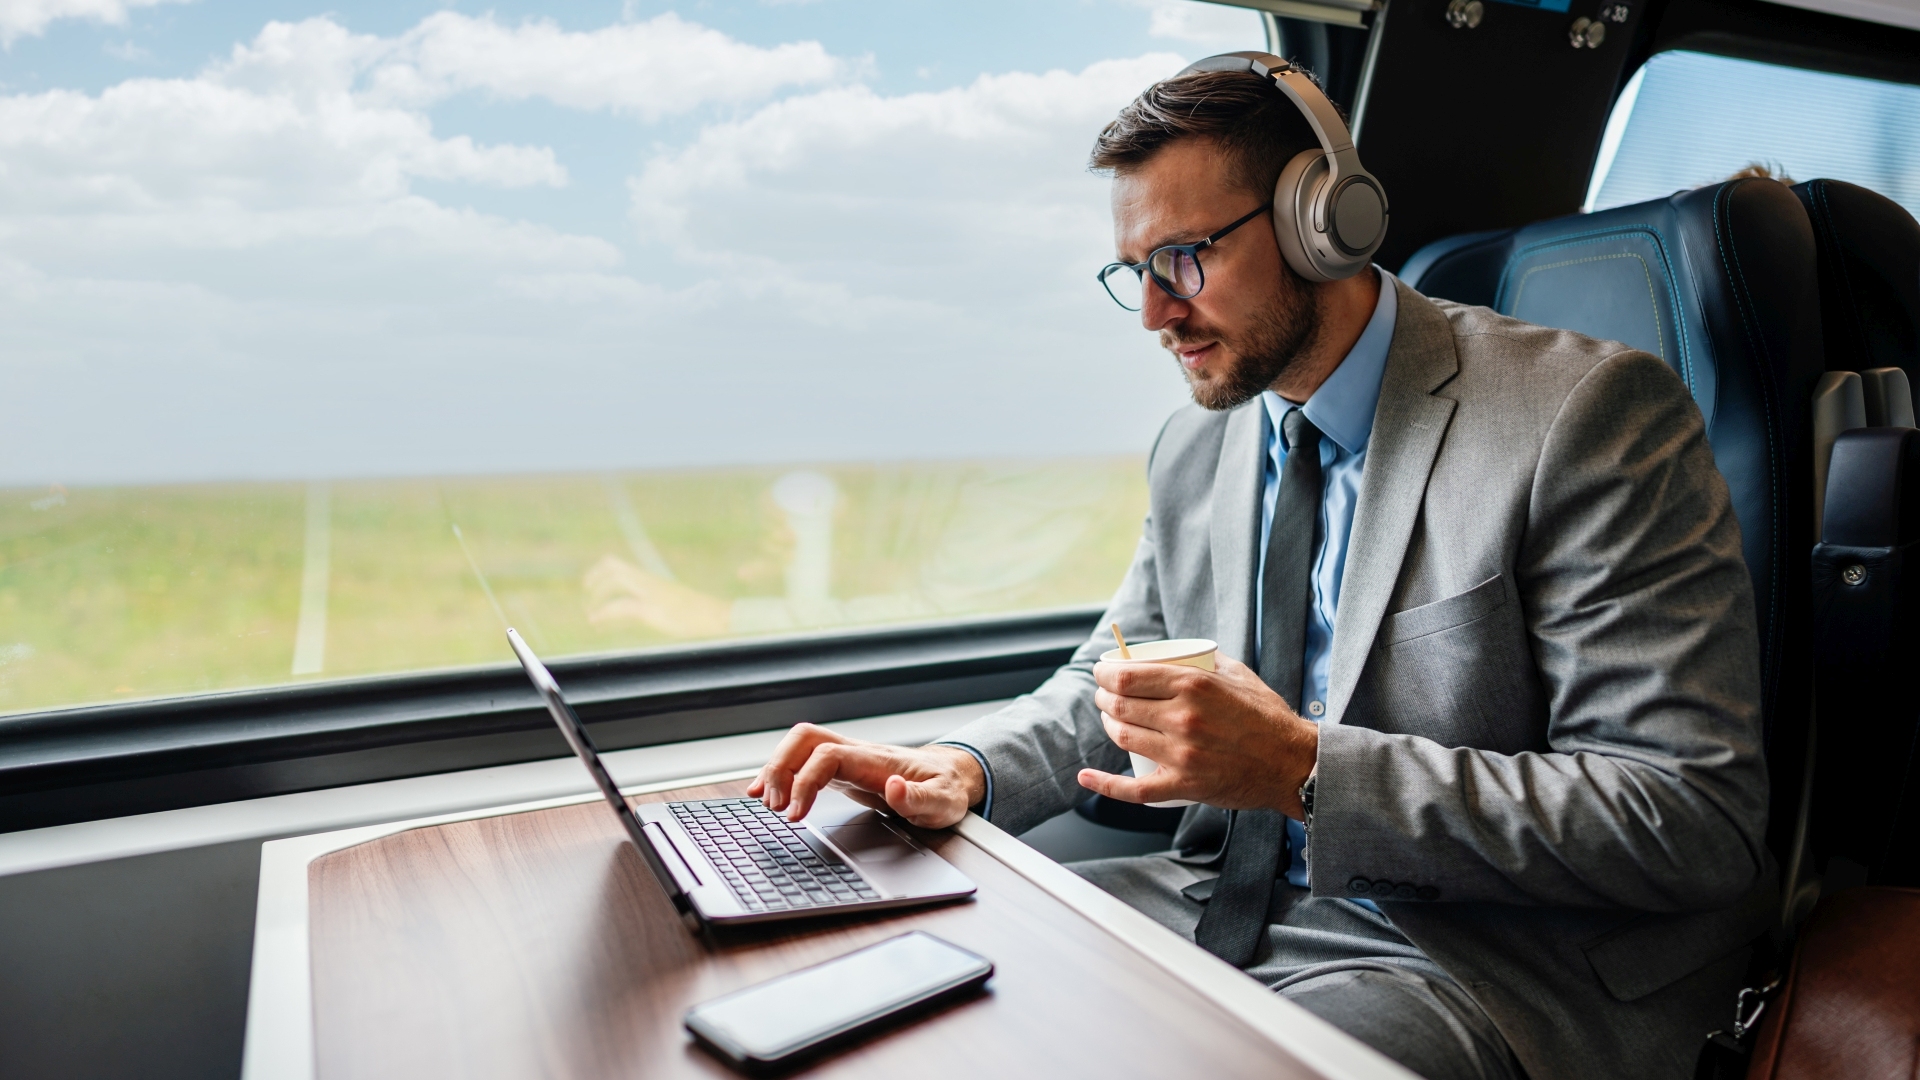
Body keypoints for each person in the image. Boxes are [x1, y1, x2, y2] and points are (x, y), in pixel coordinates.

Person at [748, 58, 1774, 1080]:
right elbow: (1104, 685)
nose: (1156, 314)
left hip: (1474, 957)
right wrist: (959, 767)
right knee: (909, 994)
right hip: (1219, 899)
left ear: (1319, 221)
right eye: (1135, 272)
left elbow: (1686, 817)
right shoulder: (1199, 449)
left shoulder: (1584, 418)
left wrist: (1305, 771)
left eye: (1186, 258)